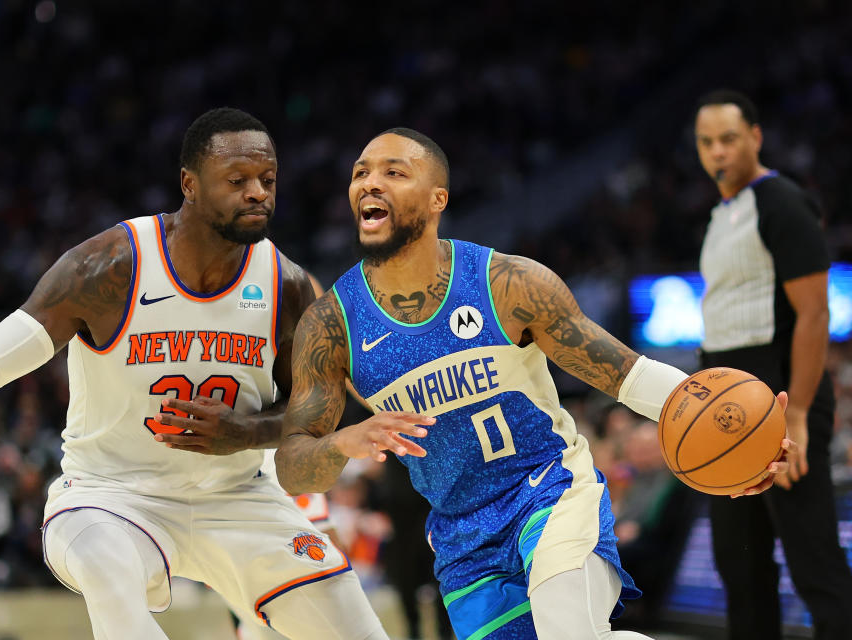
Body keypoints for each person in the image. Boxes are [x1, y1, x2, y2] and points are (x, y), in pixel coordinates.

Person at [274, 128, 792, 640]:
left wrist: (734, 443)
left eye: (394, 172)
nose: (369, 183)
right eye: (361, 172)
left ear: (438, 200)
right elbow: (294, 467)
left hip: (549, 490)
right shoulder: (332, 324)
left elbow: (625, 373)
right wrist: (344, 441)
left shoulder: (507, 282)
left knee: (567, 631)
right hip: (460, 533)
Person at [0, 108, 387, 640]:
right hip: (109, 496)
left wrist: (244, 434)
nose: (258, 194)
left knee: (353, 622)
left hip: (236, 497)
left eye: (267, 181)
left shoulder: (287, 284)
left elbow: (311, 413)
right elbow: (7, 348)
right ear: (190, 184)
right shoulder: (113, 264)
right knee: (111, 581)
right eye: (237, 181)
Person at [694, 89, 852, 640]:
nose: (718, 153)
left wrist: (802, 413)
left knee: (815, 564)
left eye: (729, 140)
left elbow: (815, 314)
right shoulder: (719, 215)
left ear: (756, 138)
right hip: (725, 410)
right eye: (707, 142)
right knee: (740, 565)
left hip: (781, 402)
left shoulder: (783, 202)